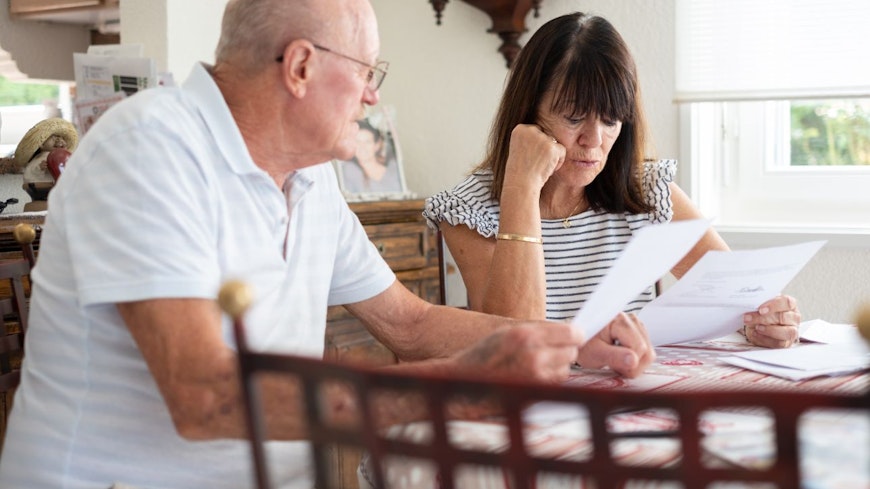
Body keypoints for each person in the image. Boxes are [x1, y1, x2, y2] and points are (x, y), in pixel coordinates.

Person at [0, 2, 654, 488]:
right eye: (368, 72)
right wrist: (462, 387)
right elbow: (206, 396)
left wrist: (568, 342)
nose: (373, 96)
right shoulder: (148, 148)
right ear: (301, 66)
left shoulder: (307, 178)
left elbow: (411, 320)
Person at [423, 12, 801, 350]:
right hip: (532, 409)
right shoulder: (468, 209)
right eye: (573, 118)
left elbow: (740, 299)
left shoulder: (647, 191)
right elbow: (516, 341)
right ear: (528, 113)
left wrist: (763, 322)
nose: (594, 141)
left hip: (632, 393)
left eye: (610, 120)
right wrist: (522, 187)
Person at [339, 118, 403, 193]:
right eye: (357, 141)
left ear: (377, 145)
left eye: (367, 142)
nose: (362, 146)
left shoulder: (393, 167)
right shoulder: (349, 170)